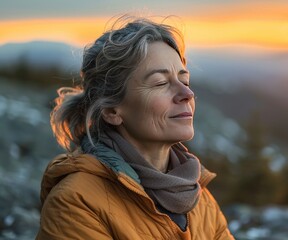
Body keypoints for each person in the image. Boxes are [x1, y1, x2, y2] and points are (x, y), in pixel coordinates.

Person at [36, 15, 234, 239]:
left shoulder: (200, 198)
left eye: (185, 81)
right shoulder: (76, 203)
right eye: (160, 83)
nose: (187, 94)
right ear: (112, 111)